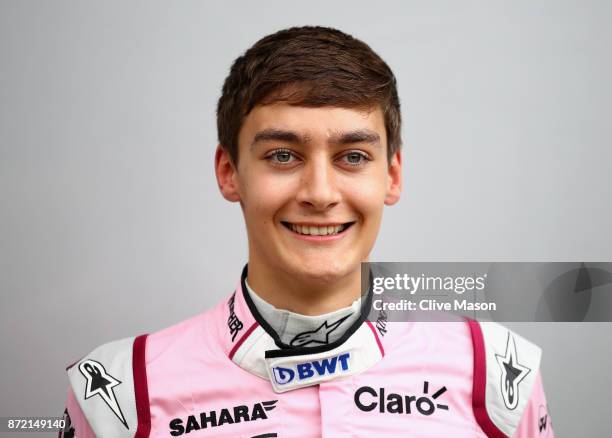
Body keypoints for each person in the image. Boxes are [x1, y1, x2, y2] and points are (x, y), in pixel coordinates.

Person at [60, 26, 553, 437]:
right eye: (282, 155)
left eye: (353, 157)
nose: (319, 193)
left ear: (392, 175)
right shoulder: (120, 391)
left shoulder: (497, 372)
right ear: (229, 172)